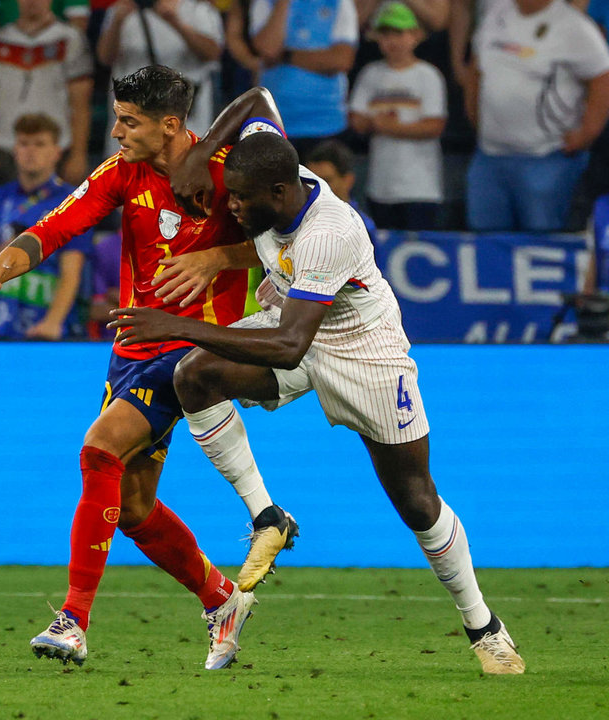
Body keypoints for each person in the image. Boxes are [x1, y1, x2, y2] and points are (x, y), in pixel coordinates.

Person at [106, 129, 526, 675]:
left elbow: (287, 347)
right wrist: (201, 157)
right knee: (196, 377)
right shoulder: (270, 170)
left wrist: (176, 325)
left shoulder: (328, 232)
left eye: (239, 198)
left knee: (417, 502)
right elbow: (256, 100)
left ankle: (484, 627)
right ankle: (267, 516)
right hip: (296, 326)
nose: (230, 206)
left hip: (363, 353)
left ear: (280, 192)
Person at [0, 66, 286, 669]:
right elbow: (52, 229)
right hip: (132, 349)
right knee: (131, 506)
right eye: (116, 118)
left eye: (129, 122)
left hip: (195, 349)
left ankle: (73, 620)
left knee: (100, 449)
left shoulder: (230, 168)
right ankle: (221, 599)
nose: (116, 132)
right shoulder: (121, 174)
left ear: (171, 125)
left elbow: (285, 241)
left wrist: (216, 258)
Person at [462, 0, 609, 231]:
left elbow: (602, 75)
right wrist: (474, 113)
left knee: (541, 239)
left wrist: (588, 132)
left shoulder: (573, 26)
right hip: (489, 156)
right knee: (485, 242)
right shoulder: (495, 14)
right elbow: (477, 65)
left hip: (545, 156)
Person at [0, 114, 91, 339]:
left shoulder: (72, 201)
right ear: (14, 150)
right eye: (24, 144)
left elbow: (71, 273)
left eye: (40, 144)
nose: (30, 151)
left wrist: (52, 323)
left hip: (44, 326)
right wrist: (4, 252)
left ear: (57, 152)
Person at [0, 0, 93, 188]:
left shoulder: (70, 38)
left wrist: (78, 153)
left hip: (57, 147)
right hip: (4, 146)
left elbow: (80, 103)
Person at [349, 1, 446, 230]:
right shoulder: (370, 74)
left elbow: (434, 126)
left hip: (421, 188)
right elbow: (356, 121)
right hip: (380, 187)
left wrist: (382, 124)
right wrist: (391, 124)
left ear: (416, 35)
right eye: (386, 33)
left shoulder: (428, 75)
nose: (392, 40)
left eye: (399, 33)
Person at [95, 0, 224, 155]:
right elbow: (104, 57)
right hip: (133, 114)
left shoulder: (197, 9)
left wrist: (176, 22)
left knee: (183, 169)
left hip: (184, 115)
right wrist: (117, 22)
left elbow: (212, 53)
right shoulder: (121, 9)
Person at [249, 0, 359, 156]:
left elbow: (341, 59)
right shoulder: (264, 2)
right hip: (274, 123)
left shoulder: (339, 3)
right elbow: (269, 49)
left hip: (326, 123)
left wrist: (286, 56)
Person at [303, 139, 378, 246]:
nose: (316, 188)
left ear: (348, 180)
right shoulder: (296, 223)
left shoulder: (362, 228)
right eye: (311, 181)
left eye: (326, 181)